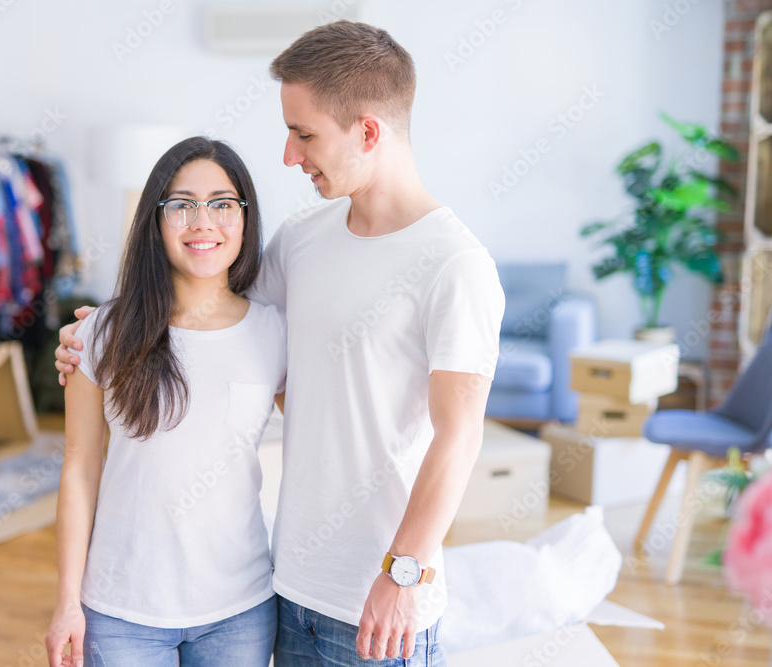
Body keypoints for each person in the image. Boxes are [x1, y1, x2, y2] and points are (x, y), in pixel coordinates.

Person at [56, 21, 505, 666]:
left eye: (305, 133)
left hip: (378, 603)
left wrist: (403, 575)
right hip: (286, 590)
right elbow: (207, 314)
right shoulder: (302, 240)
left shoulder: (454, 265)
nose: (290, 156)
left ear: (368, 131)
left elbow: (459, 437)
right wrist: (93, 338)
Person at [45, 136, 287, 667]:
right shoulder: (102, 331)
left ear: (245, 220)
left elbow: (326, 439)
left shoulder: (275, 333)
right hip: (119, 609)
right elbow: (80, 468)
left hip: (239, 609)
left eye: (223, 204)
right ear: (155, 221)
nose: (203, 222)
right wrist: (67, 602)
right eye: (182, 205)